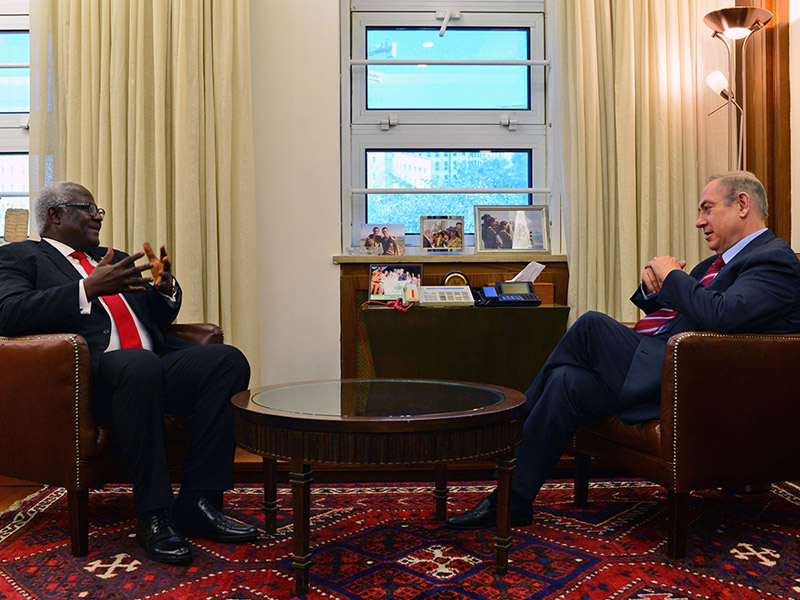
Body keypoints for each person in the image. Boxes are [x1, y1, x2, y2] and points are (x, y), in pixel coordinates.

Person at [446, 171, 800, 529]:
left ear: (742, 204)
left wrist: (674, 277)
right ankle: (514, 499)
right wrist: (655, 290)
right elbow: (685, 316)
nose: (699, 221)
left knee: (591, 326)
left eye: (707, 209)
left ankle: (506, 435)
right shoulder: (712, 265)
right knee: (566, 381)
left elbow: (724, 316)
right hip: (667, 368)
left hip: (699, 386)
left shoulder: (774, 260)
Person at [0, 181, 258, 564]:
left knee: (226, 360)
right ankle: (154, 516)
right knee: (137, 363)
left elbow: (153, 315)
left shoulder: (113, 257)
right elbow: (9, 311)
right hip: (92, 376)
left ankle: (199, 503)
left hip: (151, 364)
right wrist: (86, 289)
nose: (97, 216)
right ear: (54, 215)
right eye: (86, 208)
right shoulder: (21, 257)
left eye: (98, 209)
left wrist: (165, 289)